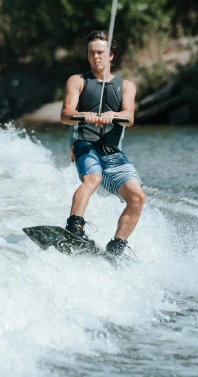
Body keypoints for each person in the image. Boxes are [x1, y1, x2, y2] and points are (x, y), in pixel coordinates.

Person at [60, 30, 147, 259]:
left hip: (113, 153)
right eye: (91, 53)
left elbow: (129, 117)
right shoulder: (77, 81)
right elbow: (66, 114)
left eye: (100, 52)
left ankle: (117, 247)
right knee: (93, 179)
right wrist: (84, 116)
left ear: (111, 55)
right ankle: (74, 228)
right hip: (85, 145)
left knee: (137, 197)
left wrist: (112, 116)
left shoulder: (126, 85)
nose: (95, 57)